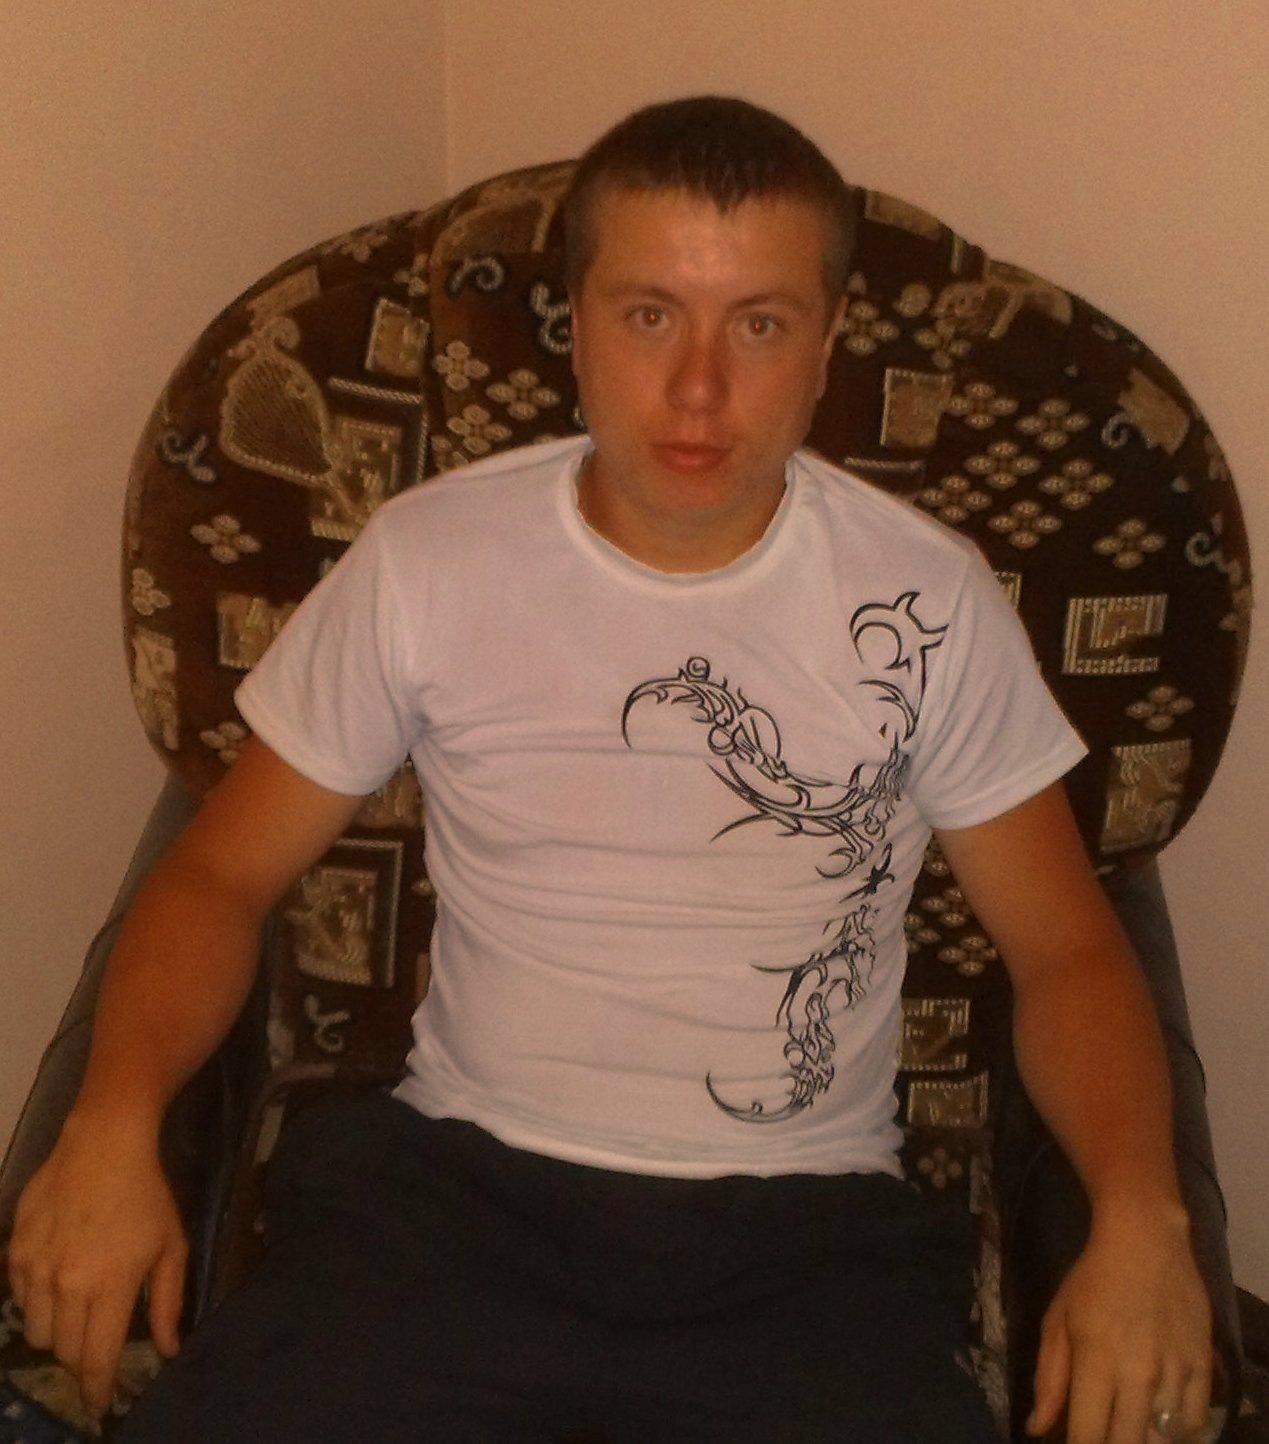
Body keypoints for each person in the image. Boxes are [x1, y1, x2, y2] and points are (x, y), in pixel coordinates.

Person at [5, 96, 1212, 1443]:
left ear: (826, 345)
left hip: (802, 1246)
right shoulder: (430, 561)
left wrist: (1141, 1215)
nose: (698, 388)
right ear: (575, 326)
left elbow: (1067, 949)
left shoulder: (927, 602)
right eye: (649, 315)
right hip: (450, 1208)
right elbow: (217, 874)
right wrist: (112, 1120)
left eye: (758, 325)